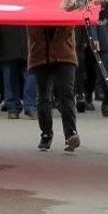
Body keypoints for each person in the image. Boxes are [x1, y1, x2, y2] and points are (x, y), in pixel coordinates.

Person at [27, 23, 80, 151]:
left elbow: (69, 24)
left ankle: (70, 133)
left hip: (64, 53)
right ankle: (46, 134)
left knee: (66, 93)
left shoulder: (66, 4)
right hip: (40, 53)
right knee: (43, 95)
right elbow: (31, 27)